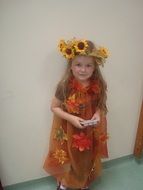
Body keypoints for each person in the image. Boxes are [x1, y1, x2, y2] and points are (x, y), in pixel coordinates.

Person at [43, 38, 109, 190]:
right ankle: (66, 183)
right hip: (69, 131)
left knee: (85, 158)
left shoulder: (98, 84)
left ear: (94, 68)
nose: (83, 70)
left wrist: (98, 114)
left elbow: (101, 105)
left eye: (88, 65)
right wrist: (71, 118)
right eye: (78, 64)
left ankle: (82, 181)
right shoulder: (65, 85)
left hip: (89, 131)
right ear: (71, 66)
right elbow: (54, 107)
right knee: (69, 158)